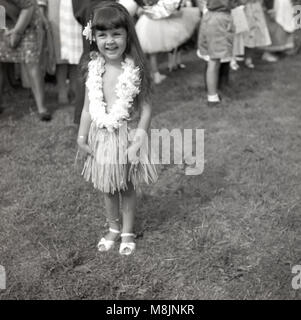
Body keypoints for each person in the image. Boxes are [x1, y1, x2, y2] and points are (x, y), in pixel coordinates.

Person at [77, 2, 158, 255]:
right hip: (101, 137)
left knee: (127, 186)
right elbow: (88, 108)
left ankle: (127, 231)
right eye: (102, 35)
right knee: (106, 187)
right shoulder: (94, 68)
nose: (109, 41)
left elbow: (145, 109)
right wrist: (81, 135)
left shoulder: (135, 69)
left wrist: (137, 142)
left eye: (116, 34)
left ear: (127, 35)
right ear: (94, 37)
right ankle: (113, 227)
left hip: (126, 136)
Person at [0, 0, 51, 120]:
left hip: (27, 21)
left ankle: (42, 109)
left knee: (32, 63)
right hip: (5, 22)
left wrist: (17, 33)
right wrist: (3, 30)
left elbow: (28, 7)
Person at [135, 0, 200, 84]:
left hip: (146, 21)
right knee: (152, 52)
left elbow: (142, 8)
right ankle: (156, 74)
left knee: (151, 52)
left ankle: (154, 73)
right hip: (153, 22)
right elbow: (162, 10)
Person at [197, 0, 242, 106]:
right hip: (219, 21)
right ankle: (212, 96)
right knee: (214, 60)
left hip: (209, 18)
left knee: (213, 60)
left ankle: (213, 93)